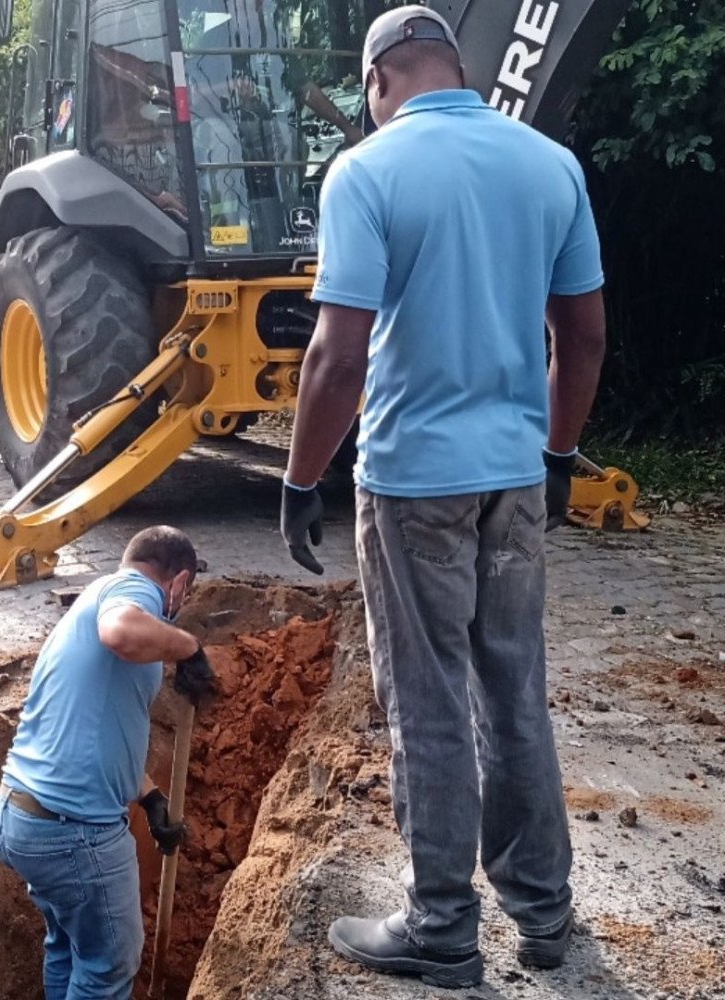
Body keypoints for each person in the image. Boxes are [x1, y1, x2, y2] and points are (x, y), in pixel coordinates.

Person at [280, 5, 606, 990]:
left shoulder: (367, 172)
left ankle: (440, 928)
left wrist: (300, 478)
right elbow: (582, 338)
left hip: (414, 486)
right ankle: (543, 914)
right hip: (511, 480)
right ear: (452, 68)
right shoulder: (549, 166)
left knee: (427, 703)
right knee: (512, 690)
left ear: (380, 79)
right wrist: (557, 453)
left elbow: (337, 356)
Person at [0, 526, 217, 1000]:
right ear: (178, 583)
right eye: (184, 593)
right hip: (74, 834)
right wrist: (188, 647)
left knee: (69, 947)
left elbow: (94, 726)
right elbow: (121, 632)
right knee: (109, 966)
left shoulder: (90, 600)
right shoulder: (137, 592)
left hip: (21, 816)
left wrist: (151, 795)